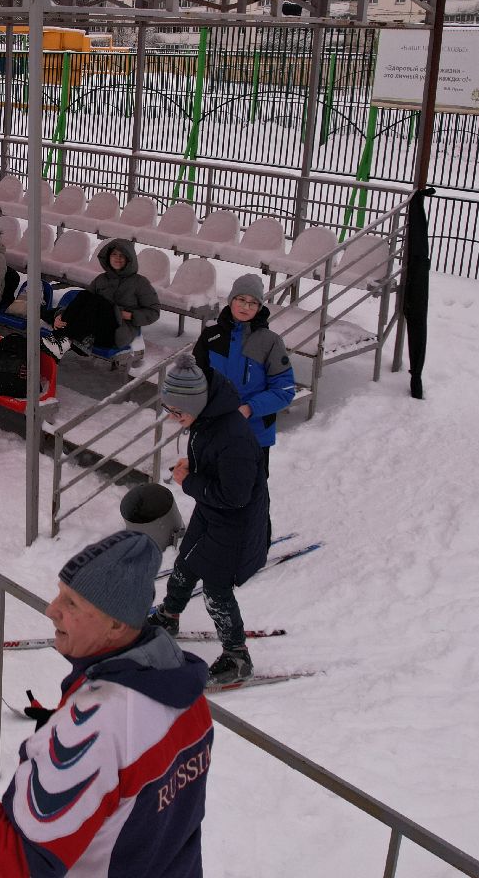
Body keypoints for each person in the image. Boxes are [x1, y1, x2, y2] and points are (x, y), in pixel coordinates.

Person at [0, 531, 213, 877]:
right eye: (60, 594)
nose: (52, 609)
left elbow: (23, 863)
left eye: (72, 603)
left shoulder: (95, 725)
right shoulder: (181, 688)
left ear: (116, 624)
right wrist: (61, 736)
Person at [147, 354, 270, 685]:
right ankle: (169, 616)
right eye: (170, 411)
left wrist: (189, 482)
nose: (174, 418)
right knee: (186, 561)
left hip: (235, 524)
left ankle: (237, 656)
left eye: (178, 412)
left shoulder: (233, 436)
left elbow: (236, 496)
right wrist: (196, 468)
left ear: (198, 404)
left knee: (216, 590)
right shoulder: (205, 420)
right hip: (210, 511)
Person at [193, 274, 295, 473]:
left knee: (248, 497)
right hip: (214, 429)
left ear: (259, 307)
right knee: (210, 491)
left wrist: (250, 409)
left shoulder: (270, 342)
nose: (246, 307)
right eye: (241, 300)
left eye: (253, 303)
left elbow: (285, 390)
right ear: (231, 300)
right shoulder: (211, 336)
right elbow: (195, 379)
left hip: (254, 435)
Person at [42, 238, 159, 357]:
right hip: (93, 332)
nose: (117, 258)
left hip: (116, 333)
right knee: (84, 295)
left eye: (122, 255)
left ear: (129, 259)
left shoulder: (140, 283)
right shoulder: (101, 279)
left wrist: (129, 315)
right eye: (114, 254)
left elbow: (154, 312)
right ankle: (63, 337)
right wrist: (60, 316)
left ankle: (63, 339)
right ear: (108, 257)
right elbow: (82, 304)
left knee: (98, 301)